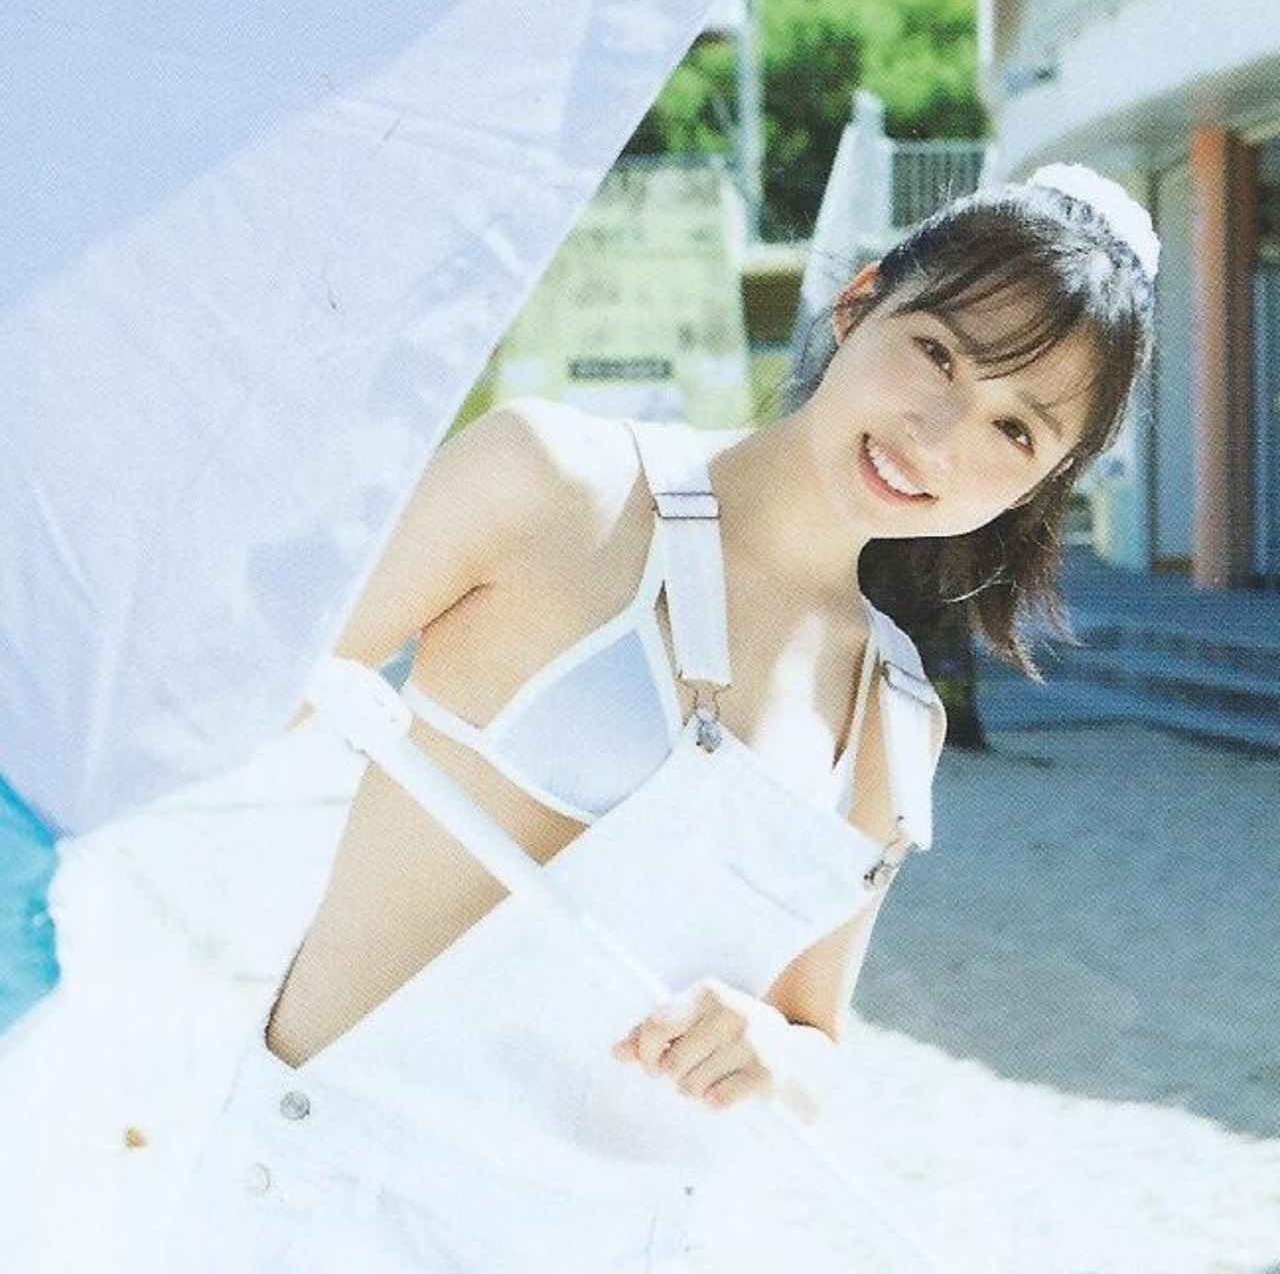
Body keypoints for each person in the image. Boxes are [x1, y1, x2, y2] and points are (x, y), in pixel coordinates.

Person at [171, 163, 1156, 1273]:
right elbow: (227, 696)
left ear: (1041, 482)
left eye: (1014, 428)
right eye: (937, 352)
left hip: (624, 1239)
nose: (938, 432)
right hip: (331, 1207)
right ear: (859, 302)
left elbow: (816, 1039)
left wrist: (767, 1048)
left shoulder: (896, 720)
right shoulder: (553, 483)